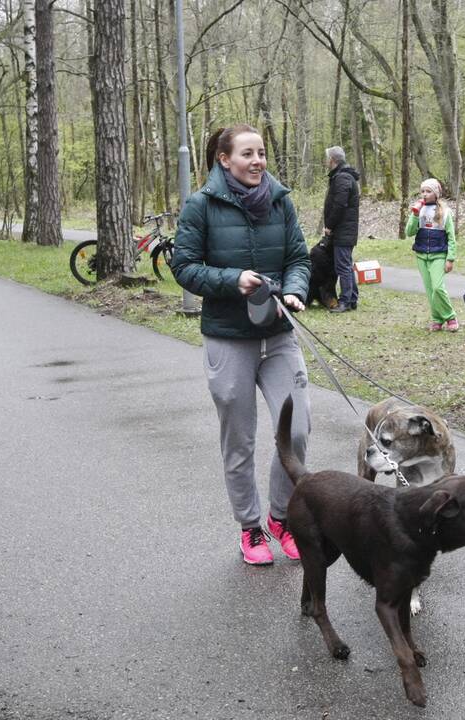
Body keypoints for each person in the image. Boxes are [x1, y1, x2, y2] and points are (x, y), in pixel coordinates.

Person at [170, 124, 312, 566]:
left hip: (278, 335)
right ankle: (250, 528)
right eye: (247, 154)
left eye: (262, 153)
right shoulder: (201, 206)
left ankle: (281, 517)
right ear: (223, 159)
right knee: (240, 441)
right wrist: (234, 281)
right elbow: (185, 267)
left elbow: (298, 259)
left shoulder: (280, 201)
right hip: (228, 338)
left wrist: (294, 290)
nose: (257, 161)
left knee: (298, 430)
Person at [406, 178, 460, 332]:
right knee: (430, 290)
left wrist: (450, 258)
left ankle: (450, 316)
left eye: (428, 191)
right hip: (422, 255)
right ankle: (437, 319)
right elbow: (409, 232)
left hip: (439, 254)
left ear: (436, 193)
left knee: (437, 288)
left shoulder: (445, 212)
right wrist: (415, 215)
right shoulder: (419, 210)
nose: (424, 194)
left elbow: (451, 237)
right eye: (422, 191)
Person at [321, 146, 361, 313]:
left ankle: (345, 301)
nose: (326, 161)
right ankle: (352, 299)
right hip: (345, 230)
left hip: (343, 230)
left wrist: (329, 226)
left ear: (332, 160)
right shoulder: (343, 176)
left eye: (327, 158)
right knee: (346, 264)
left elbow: (339, 205)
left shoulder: (342, 178)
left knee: (342, 266)